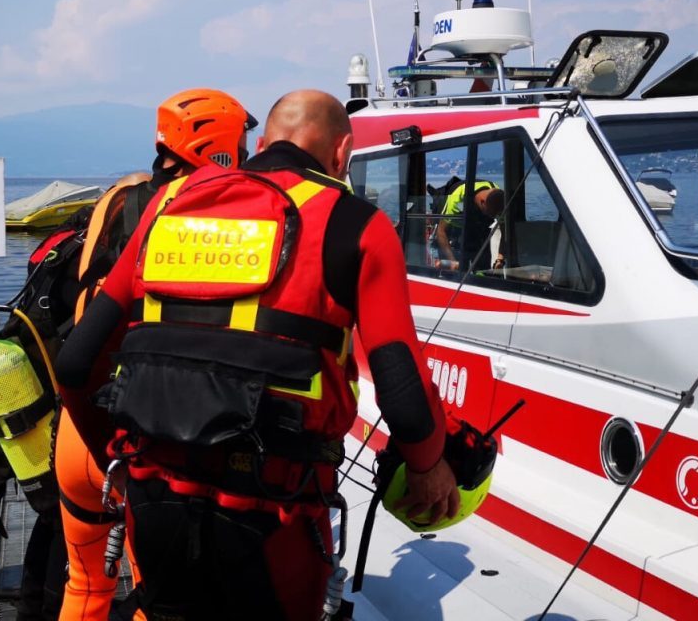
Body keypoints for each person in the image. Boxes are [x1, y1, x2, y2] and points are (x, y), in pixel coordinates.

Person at [55, 89, 459, 620]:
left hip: (156, 503)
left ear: (262, 144)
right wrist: (430, 468)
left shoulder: (167, 205)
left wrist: (120, 460)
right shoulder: (356, 222)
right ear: (342, 155)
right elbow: (402, 390)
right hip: (277, 514)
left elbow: (74, 364)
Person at [53, 88, 255, 621]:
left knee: (86, 587)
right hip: (143, 431)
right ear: (219, 147)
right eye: (244, 143)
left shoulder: (118, 197)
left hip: (76, 429)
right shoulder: (212, 214)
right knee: (156, 599)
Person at [435, 180, 505, 271]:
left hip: (480, 227)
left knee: (483, 267)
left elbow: (505, 231)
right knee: (458, 267)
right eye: (491, 213)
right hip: (456, 228)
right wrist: (452, 261)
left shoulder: (499, 198)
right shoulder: (457, 198)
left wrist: (500, 258)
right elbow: (441, 231)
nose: (494, 216)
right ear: (482, 203)